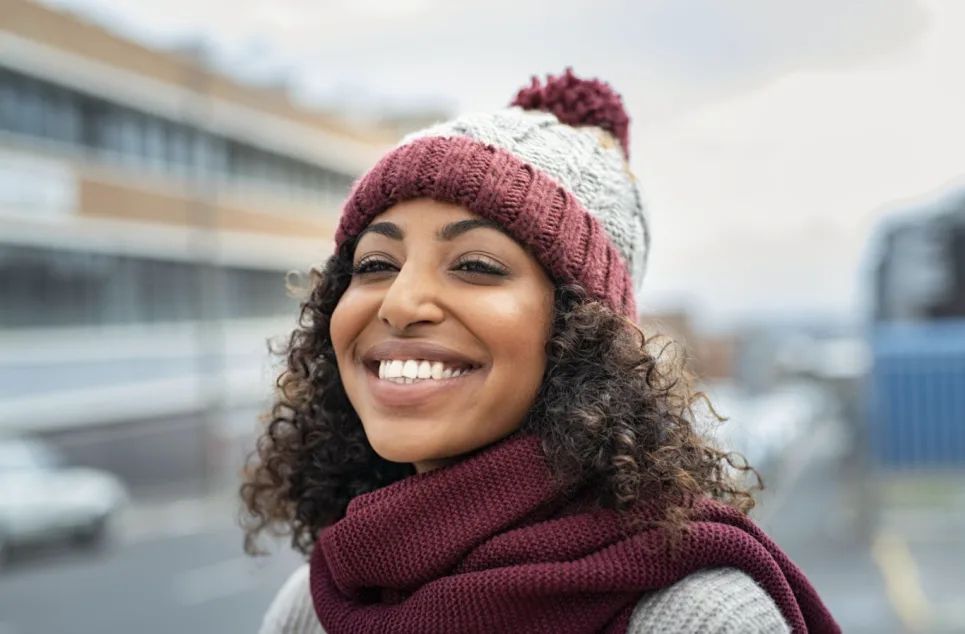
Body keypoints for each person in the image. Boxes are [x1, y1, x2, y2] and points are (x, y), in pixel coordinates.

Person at [241, 69, 840, 634]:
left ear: (583, 334)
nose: (400, 303)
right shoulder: (312, 607)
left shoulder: (697, 618)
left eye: (475, 265)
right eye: (375, 264)